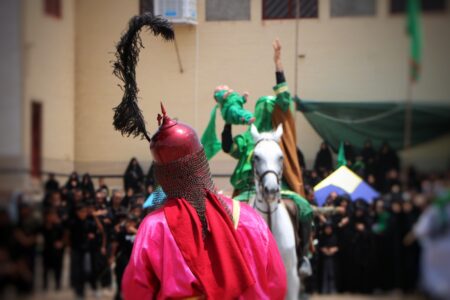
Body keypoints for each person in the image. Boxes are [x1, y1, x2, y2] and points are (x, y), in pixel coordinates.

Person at [112, 13, 287, 299]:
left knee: (298, 210)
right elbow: (276, 283)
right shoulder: (249, 218)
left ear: (164, 176)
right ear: (201, 164)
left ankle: (303, 251)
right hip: (241, 197)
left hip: (253, 183)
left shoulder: (154, 228)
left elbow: (136, 291)